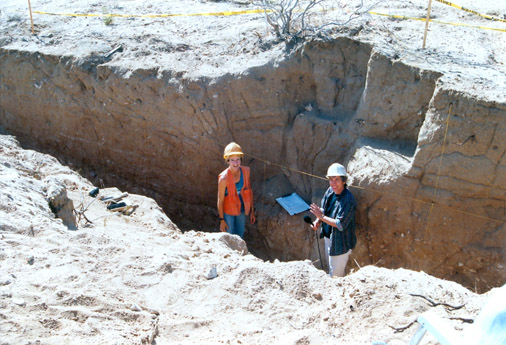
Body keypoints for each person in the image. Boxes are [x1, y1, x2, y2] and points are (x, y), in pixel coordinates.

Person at [309, 163, 357, 277]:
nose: (333, 183)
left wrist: (321, 217)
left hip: (341, 244)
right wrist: (317, 221)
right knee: (331, 267)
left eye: (336, 180)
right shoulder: (330, 191)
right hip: (329, 237)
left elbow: (340, 224)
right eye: (331, 179)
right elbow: (324, 209)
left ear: (344, 181)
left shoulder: (348, 200)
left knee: (336, 277)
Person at [217, 142, 256, 239]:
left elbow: (249, 192)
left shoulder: (246, 172)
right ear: (228, 161)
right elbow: (220, 200)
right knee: (230, 236)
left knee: (240, 235)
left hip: (241, 210)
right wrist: (222, 219)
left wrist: (252, 211)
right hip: (228, 212)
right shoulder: (223, 178)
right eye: (232, 160)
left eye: (238, 159)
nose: (235, 163)